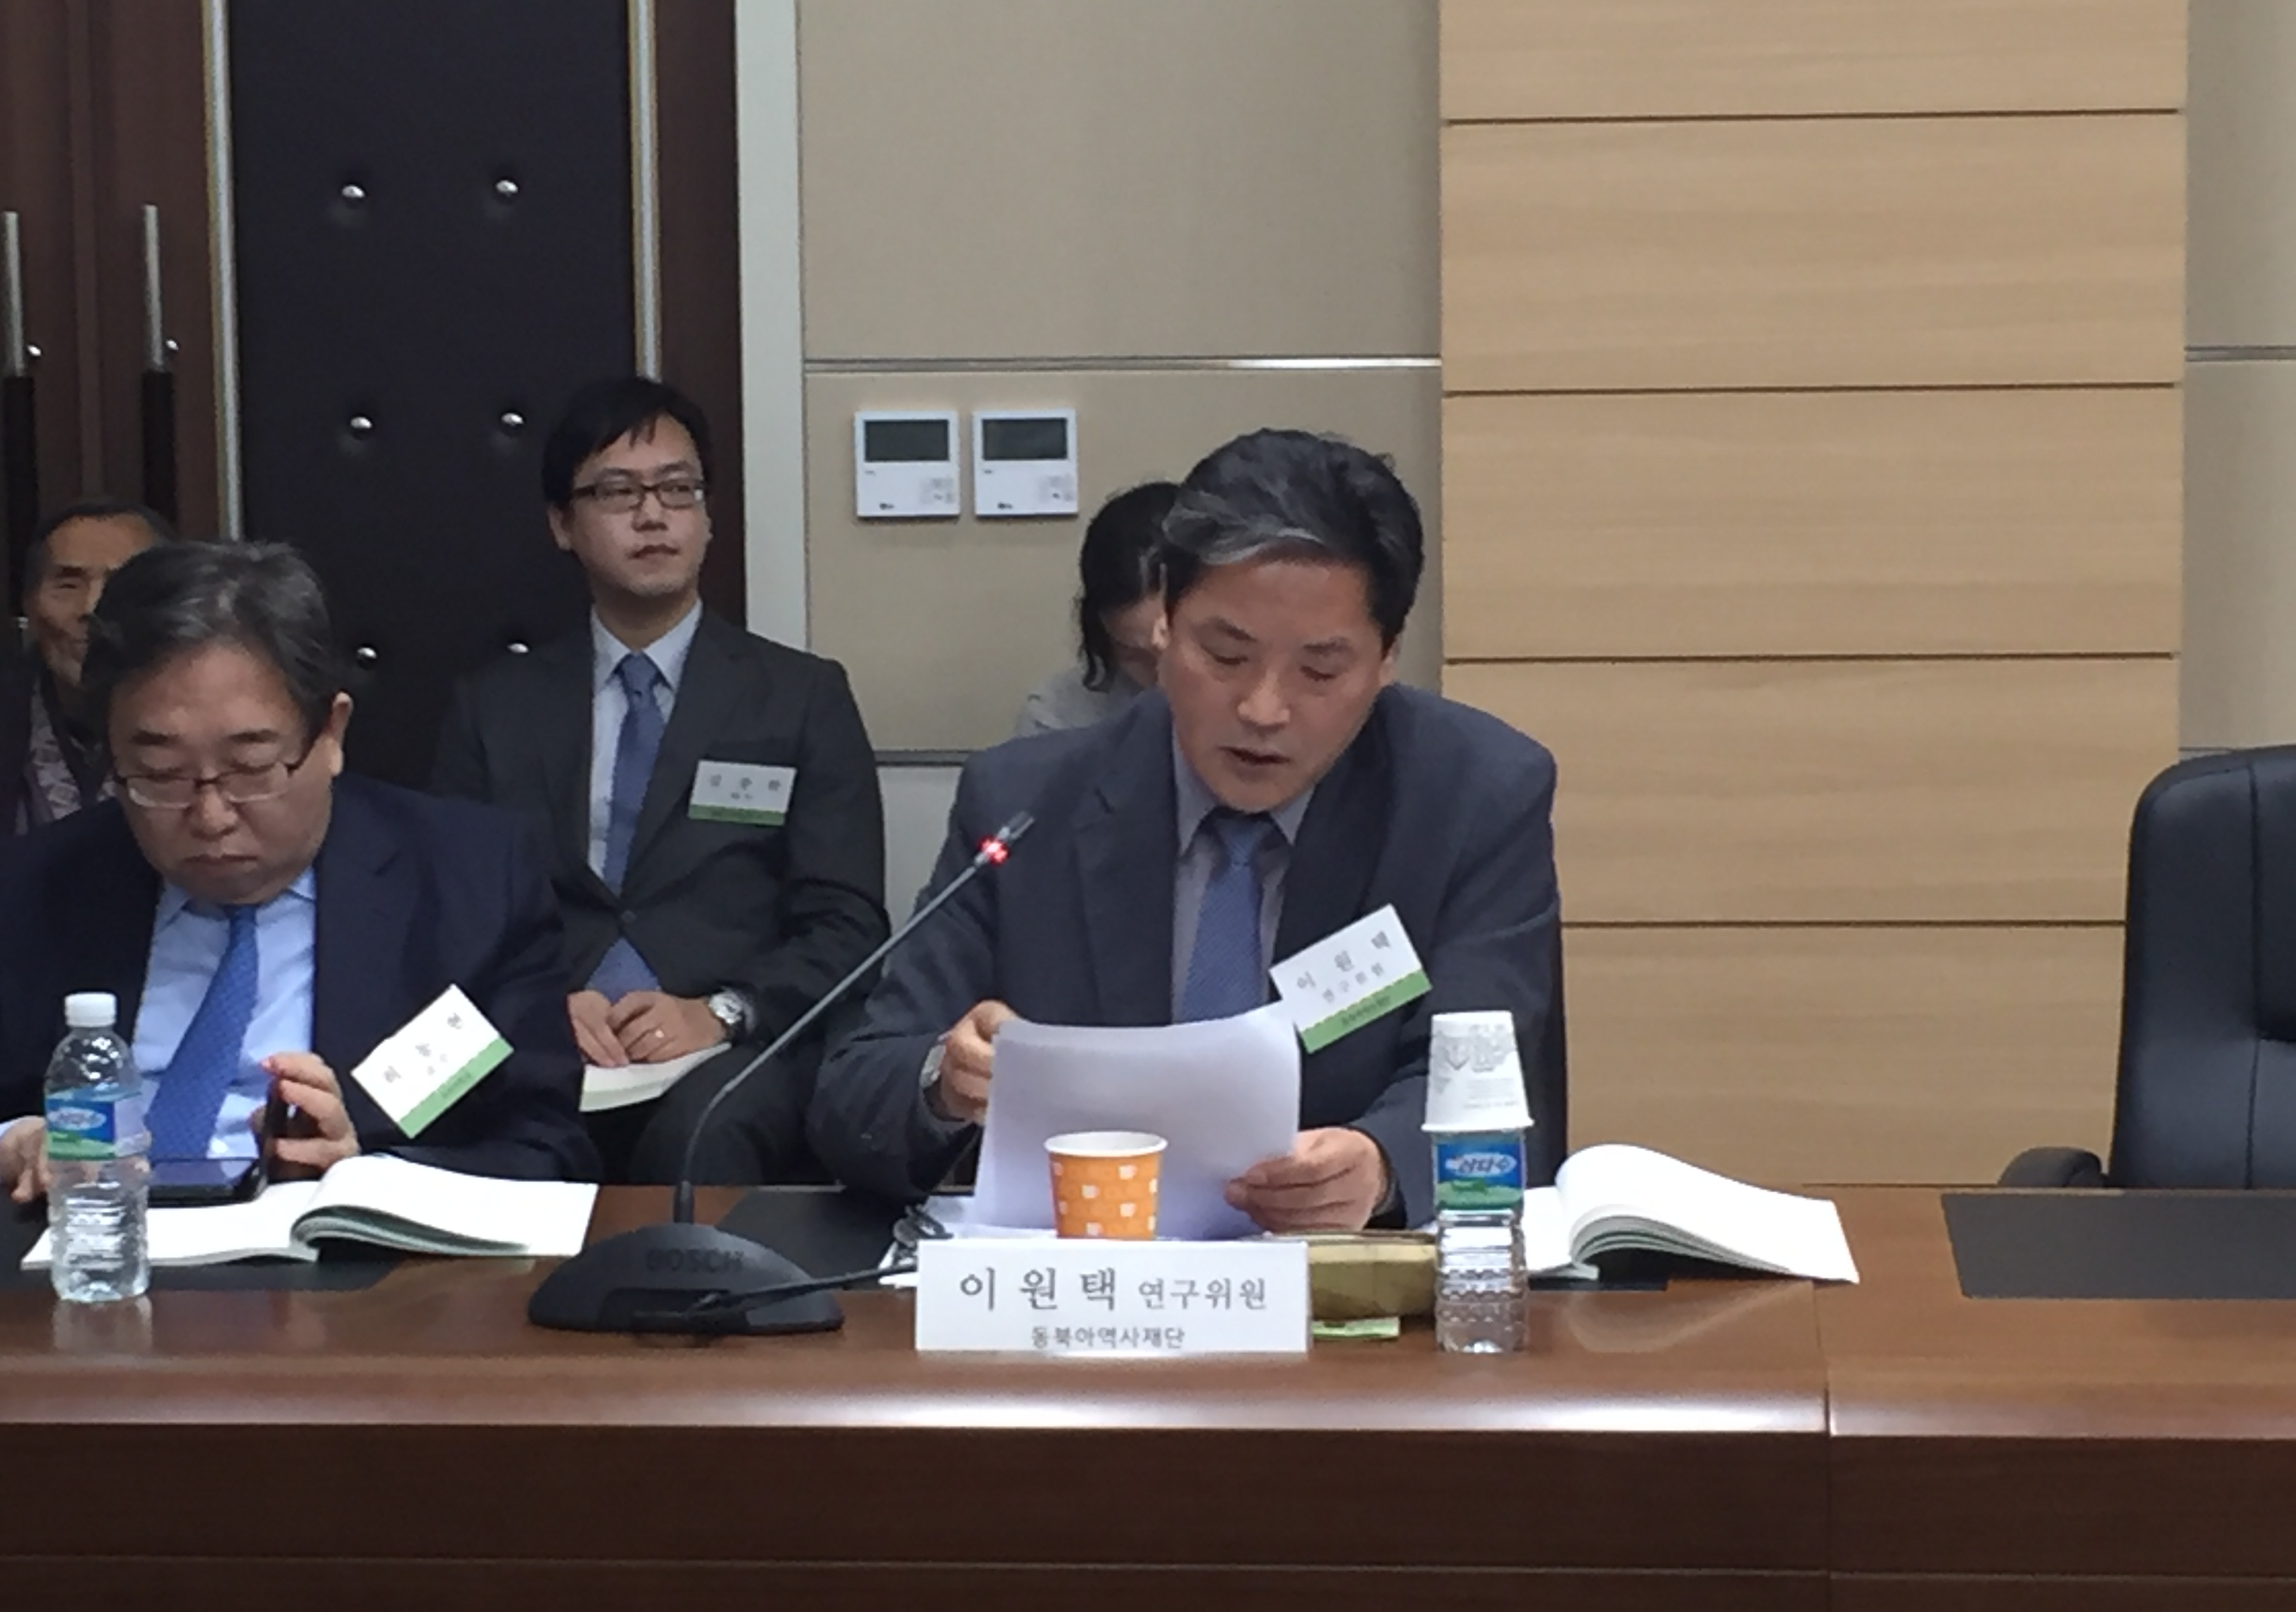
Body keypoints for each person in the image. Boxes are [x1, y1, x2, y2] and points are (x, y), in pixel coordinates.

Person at [810, 428, 1559, 1230]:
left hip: (1346, 1287)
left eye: (1320, 670)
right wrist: (944, 1082)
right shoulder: (1027, 804)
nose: (1263, 709)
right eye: (1226, 656)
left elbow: (1496, 1085)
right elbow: (857, 1092)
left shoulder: (1473, 799)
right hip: (1089, 1275)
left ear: (1386, 659)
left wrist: (1379, 1168)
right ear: (1164, 623)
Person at [0, 540, 593, 1203]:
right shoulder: (35, 887)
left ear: (331, 733)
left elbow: (547, 1151)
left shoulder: (471, 886)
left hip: (346, 1260)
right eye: (160, 775)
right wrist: (14, 1141)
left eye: (251, 767)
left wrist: (368, 1172)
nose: (211, 815)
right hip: (96, 1248)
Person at [433, 377, 888, 1185]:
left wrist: (719, 1012)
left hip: (732, 1040)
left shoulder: (800, 697)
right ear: (562, 524)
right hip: (549, 1029)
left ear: (707, 517)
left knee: (701, 1137)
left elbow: (847, 924)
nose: (653, 515)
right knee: (459, 1121)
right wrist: (538, 1003)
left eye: (678, 489)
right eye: (618, 492)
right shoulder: (495, 707)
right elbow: (450, 909)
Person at [1, 498, 172, 835]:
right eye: (67, 585)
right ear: (29, 606)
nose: (91, 608)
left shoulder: (219, 721)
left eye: (121, 583)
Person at [1012, 480, 1178, 736]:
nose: (1161, 682)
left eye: (1174, 647)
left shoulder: (1243, 708)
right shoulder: (1057, 717)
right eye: (1134, 656)